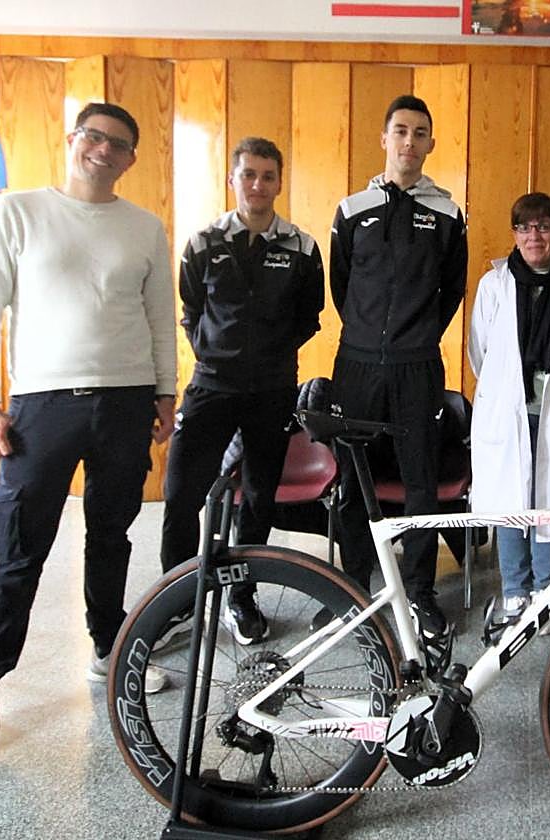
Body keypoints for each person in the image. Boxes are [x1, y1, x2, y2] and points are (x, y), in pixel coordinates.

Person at [0, 102, 179, 785]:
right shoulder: (17, 212)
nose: (103, 150)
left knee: (112, 535)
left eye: (118, 144)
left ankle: (107, 652)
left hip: (123, 401)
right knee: (19, 555)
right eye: (93, 137)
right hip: (41, 405)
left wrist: (165, 392)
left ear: (130, 158)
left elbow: (156, 316)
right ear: (72, 140)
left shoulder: (145, 228)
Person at [160, 137, 324, 644]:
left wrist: (267, 357)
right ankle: (175, 601)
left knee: (257, 499)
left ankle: (240, 595)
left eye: (267, 176)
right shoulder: (204, 242)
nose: (258, 185)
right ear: (233, 179)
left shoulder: (302, 246)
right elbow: (190, 311)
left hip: (272, 392)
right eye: (248, 174)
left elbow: (308, 319)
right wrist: (217, 353)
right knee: (181, 493)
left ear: (279, 181)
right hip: (211, 386)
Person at [328, 94, 468, 661]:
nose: (409, 142)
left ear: (431, 144)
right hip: (356, 364)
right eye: (400, 131)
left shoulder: (447, 214)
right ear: (385, 139)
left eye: (420, 133)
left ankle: (418, 591)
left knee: (420, 487)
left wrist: (413, 339)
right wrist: (366, 337)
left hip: (417, 367)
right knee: (352, 482)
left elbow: (451, 290)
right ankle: (350, 584)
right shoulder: (352, 207)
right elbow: (341, 288)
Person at [468, 192, 550, 634]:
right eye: (524, 227)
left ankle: (546, 591)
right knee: (510, 504)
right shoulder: (495, 284)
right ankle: (514, 591)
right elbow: (479, 353)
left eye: (543, 226)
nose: (533, 236)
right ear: (515, 235)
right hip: (507, 413)